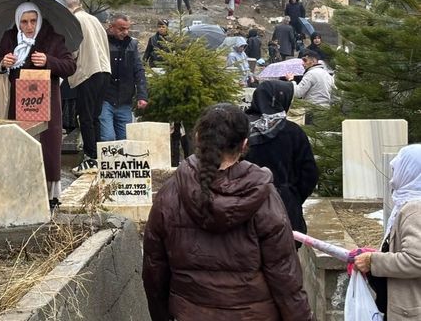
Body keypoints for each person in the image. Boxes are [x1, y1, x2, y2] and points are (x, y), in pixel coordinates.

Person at [143, 103, 312, 320]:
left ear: (197, 137)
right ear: (244, 144)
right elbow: (286, 278)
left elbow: (154, 272)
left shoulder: (169, 194)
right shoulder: (263, 195)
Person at [0, 3, 76, 207]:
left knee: (47, 145)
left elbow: (70, 66)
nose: (29, 26)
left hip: (46, 101)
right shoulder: (9, 38)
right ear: (18, 23)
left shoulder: (52, 39)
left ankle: (50, 196)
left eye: (33, 21)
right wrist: (2, 62)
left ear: (39, 20)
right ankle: (22, 189)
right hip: (18, 101)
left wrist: (48, 60)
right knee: (22, 143)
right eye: (24, 22)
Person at [354, 144, 421, 320]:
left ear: (410, 170)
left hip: (410, 310)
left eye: (397, 169)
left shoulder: (415, 209)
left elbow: (417, 259)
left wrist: (373, 261)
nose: (393, 176)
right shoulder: (411, 202)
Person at [245, 80, 318, 235]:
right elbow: (309, 174)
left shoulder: (240, 129)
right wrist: (293, 196)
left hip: (244, 206)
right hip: (284, 209)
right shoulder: (293, 132)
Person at [65, 0, 111, 176]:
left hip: (88, 71)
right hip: (104, 70)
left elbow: (73, 50)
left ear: (67, 8)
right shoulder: (94, 19)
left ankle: (90, 158)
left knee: (85, 117)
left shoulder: (74, 20)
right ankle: (97, 156)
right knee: (95, 116)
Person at [99, 13, 147, 141]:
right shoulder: (102, 43)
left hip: (124, 99)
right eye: (121, 29)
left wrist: (142, 95)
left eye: (127, 29)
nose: (125, 32)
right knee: (108, 138)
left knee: (125, 139)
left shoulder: (132, 45)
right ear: (111, 27)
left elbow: (139, 70)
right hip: (105, 97)